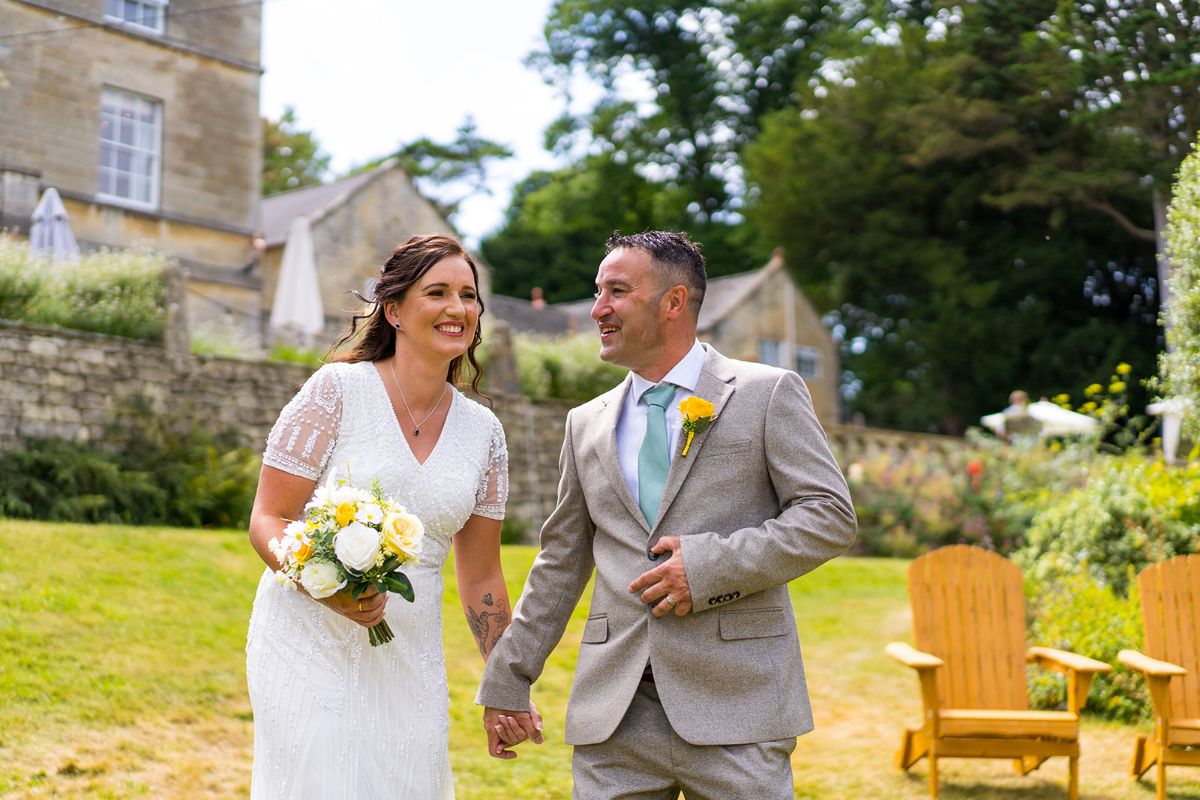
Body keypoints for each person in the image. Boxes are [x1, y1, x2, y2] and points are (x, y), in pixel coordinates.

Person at [475, 231, 857, 798]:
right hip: (614, 714)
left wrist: (706, 568)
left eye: (617, 291)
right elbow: (561, 562)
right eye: (598, 291)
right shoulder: (586, 423)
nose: (598, 309)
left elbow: (829, 515)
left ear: (674, 302)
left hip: (738, 705)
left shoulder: (766, 393)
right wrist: (508, 678)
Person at [245, 234, 537, 799]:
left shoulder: (485, 433)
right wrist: (323, 586)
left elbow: (482, 575)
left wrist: (505, 683)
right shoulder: (336, 390)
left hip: (410, 649)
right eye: (438, 292)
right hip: (307, 638)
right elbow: (270, 517)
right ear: (395, 310)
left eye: (469, 295)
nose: (458, 308)